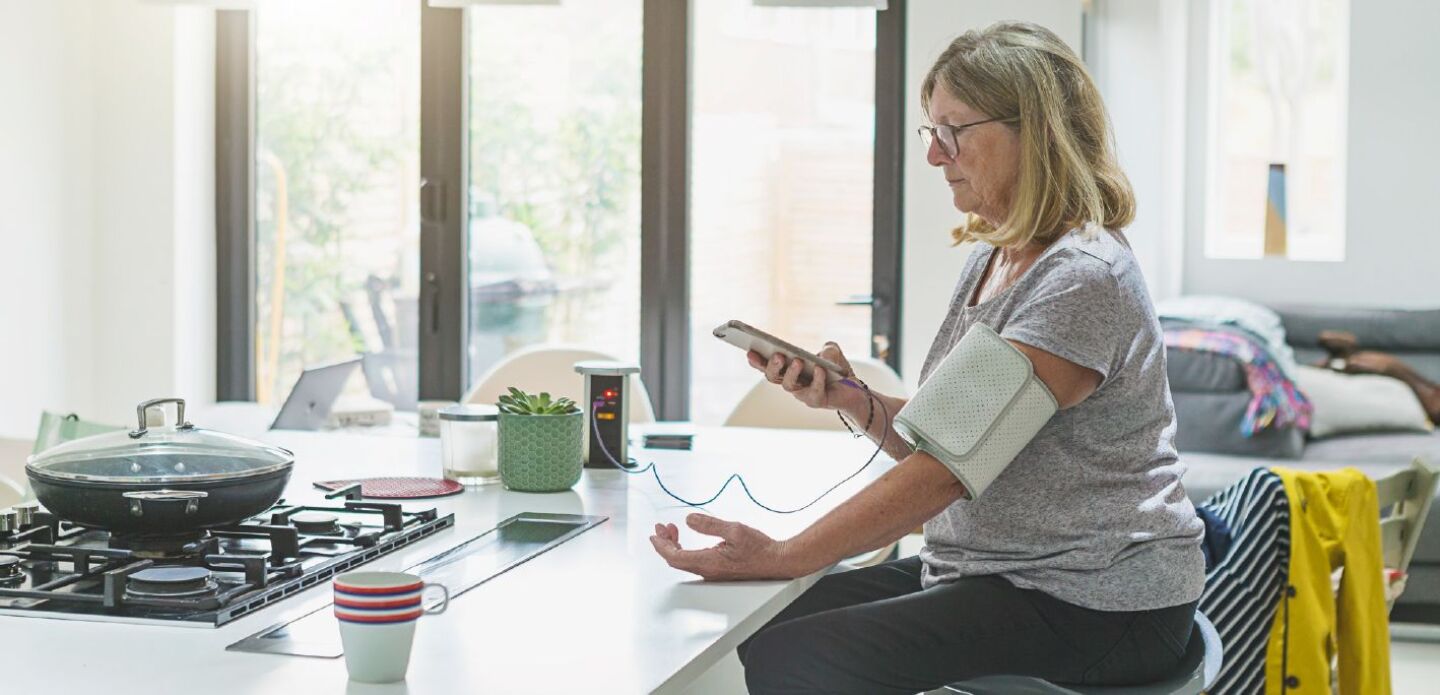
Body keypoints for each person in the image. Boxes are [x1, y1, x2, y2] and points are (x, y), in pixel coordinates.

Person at [648, 21, 1205, 694]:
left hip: (1096, 601)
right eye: (930, 132)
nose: (936, 156)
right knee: (767, 620)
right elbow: (952, 433)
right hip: (1001, 572)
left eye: (954, 130)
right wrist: (852, 398)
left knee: (799, 652)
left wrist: (785, 552)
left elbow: (943, 471)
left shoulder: (1082, 278)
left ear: (1035, 130)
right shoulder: (994, 259)